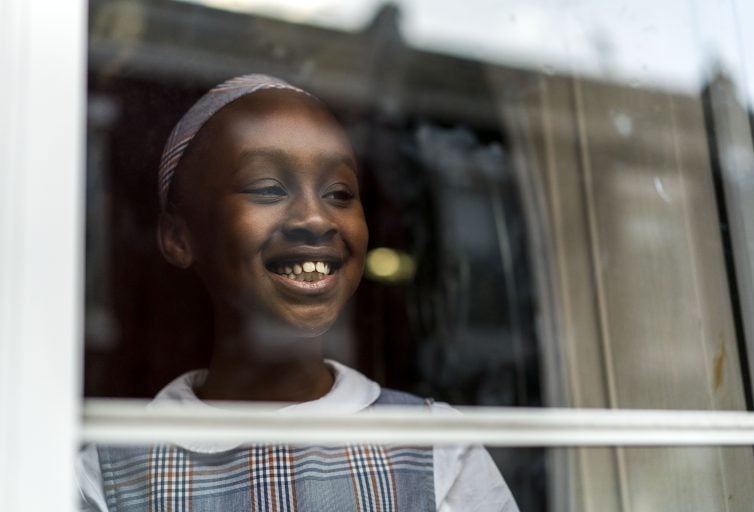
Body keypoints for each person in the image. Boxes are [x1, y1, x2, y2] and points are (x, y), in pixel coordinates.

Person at [77, 74, 518, 511]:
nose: (315, 218)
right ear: (178, 237)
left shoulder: (435, 451)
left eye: (339, 193)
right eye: (268, 188)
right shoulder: (111, 473)